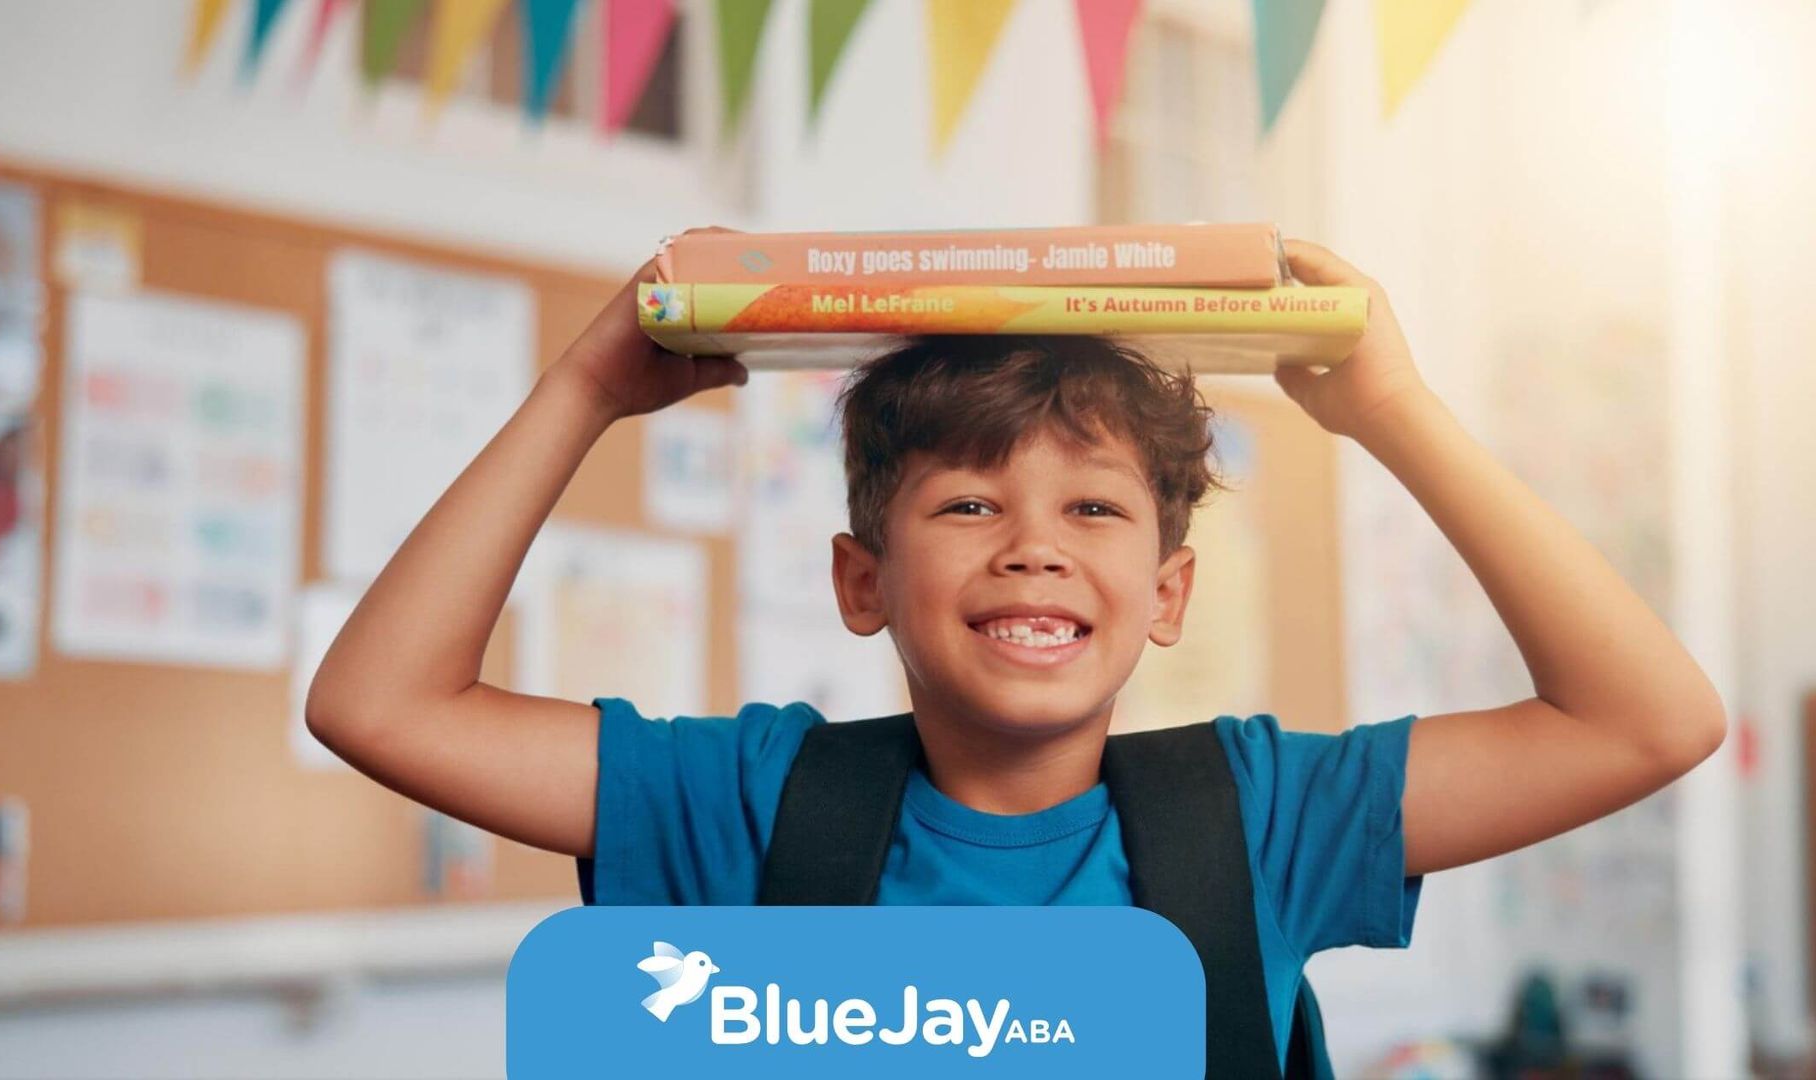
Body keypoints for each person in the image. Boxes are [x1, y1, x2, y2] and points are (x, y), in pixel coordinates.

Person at [305, 234, 1726, 1074]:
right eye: (969, 503)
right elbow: (379, 703)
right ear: (864, 581)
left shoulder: (1262, 818)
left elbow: (1647, 720)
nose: (1032, 546)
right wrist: (584, 392)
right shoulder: (745, 804)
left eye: (1093, 508)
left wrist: (1394, 411)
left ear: (1166, 593)